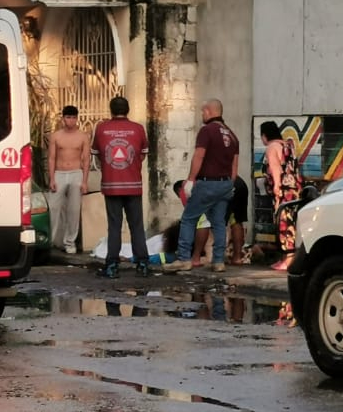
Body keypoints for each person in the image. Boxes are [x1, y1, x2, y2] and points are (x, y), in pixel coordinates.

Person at [164, 98, 239, 273]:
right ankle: (218, 261)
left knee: (189, 219)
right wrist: (230, 184)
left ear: (209, 111)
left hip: (207, 184)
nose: (201, 115)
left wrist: (191, 179)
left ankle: (184, 259)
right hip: (225, 184)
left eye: (203, 111)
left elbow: (199, 156)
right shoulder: (232, 135)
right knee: (219, 223)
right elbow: (234, 166)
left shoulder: (207, 131)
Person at [91, 95, 151, 279]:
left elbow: (98, 155)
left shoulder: (102, 129)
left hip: (111, 186)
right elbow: (142, 154)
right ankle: (143, 265)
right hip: (133, 186)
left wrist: (112, 167)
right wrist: (129, 165)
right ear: (128, 110)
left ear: (111, 110)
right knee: (137, 226)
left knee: (114, 226)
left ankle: (112, 266)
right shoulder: (138, 129)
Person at [261, 120, 303, 271]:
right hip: (294, 189)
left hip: (283, 191)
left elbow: (275, 168)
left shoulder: (272, 147)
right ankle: (287, 258)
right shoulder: (288, 145)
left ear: (264, 135)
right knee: (291, 222)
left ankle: (288, 259)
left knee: (283, 224)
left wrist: (277, 188)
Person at [47, 105, 88, 255]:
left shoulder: (83, 136)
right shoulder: (56, 136)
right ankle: (50, 241)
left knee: (74, 210)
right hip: (59, 173)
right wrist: (51, 178)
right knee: (53, 208)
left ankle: (70, 242)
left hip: (76, 173)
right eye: (68, 117)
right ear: (63, 118)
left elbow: (86, 160)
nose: (70, 120)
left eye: (73, 117)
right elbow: (51, 158)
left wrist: (84, 181)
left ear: (77, 119)